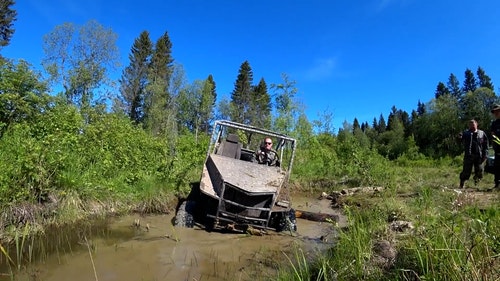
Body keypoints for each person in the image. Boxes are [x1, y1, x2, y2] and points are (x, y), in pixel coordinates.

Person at [459, 119, 488, 188]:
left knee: (480, 170)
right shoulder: (466, 133)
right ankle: (462, 182)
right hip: (469, 155)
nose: (472, 126)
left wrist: (485, 155)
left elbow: (485, 145)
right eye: (470, 125)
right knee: (466, 171)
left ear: (476, 124)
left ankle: (476, 182)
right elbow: (460, 140)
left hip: (479, 155)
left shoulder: (482, 133)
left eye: (473, 124)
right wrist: (459, 137)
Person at [490, 104, 500, 189]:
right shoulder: (494, 123)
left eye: (497, 111)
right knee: (497, 166)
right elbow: (492, 135)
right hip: (498, 149)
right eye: (495, 112)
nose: (496, 113)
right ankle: (497, 184)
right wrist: (494, 145)